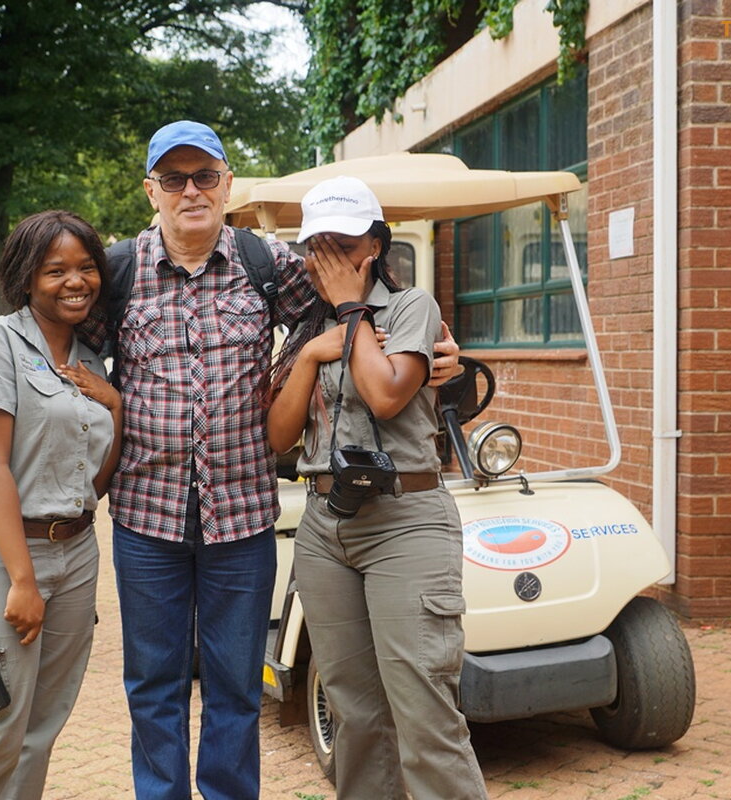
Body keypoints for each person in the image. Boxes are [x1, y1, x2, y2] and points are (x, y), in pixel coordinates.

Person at [0, 120, 463, 800]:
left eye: (204, 177)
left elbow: (359, 300)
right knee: (153, 687)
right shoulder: (117, 273)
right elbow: (50, 342)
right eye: (173, 179)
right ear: (151, 191)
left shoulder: (268, 264)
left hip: (242, 518)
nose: (190, 191)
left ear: (226, 184)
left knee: (235, 689)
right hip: (146, 520)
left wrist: (443, 356)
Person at [266, 176, 489, 800]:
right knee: (354, 713)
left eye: (345, 243)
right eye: (319, 245)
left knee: (424, 712)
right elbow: (278, 436)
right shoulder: (305, 327)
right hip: (324, 528)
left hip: (404, 521)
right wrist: (310, 354)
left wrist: (350, 310)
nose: (330, 257)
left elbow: (388, 395)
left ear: (375, 244)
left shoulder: (412, 307)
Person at [0, 210, 122, 800]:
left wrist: (115, 405)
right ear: (26, 277)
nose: (75, 281)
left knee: (40, 728)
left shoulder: (90, 359)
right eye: (56, 270)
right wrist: (23, 580)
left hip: (76, 550)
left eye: (86, 267)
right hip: (4, 552)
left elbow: (96, 480)